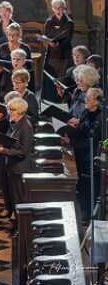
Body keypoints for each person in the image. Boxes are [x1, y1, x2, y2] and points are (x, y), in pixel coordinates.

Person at [0, 97, 34, 220]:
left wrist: (4, 150)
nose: (9, 112)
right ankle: (17, 222)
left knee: (20, 198)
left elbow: (23, 151)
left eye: (12, 110)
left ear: (20, 111)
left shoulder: (26, 127)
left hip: (20, 168)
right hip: (12, 165)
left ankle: (21, 225)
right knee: (13, 196)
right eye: (9, 109)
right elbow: (13, 141)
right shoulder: (15, 123)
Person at [65, 87, 103, 220]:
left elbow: (93, 138)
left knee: (91, 187)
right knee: (82, 185)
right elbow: (81, 129)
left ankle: (90, 215)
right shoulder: (86, 112)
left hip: (91, 157)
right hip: (80, 153)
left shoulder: (101, 117)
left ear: (96, 102)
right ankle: (82, 211)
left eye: (88, 98)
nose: (85, 100)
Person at [43, 0, 74, 75]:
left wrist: (58, 44)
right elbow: (46, 35)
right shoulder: (49, 21)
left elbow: (68, 39)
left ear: (64, 8)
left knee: (63, 76)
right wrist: (49, 42)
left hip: (64, 53)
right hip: (51, 53)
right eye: (55, 8)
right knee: (50, 75)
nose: (58, 10)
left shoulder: (69, 22)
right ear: (53, 9)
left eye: (60, 8)